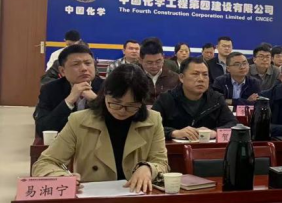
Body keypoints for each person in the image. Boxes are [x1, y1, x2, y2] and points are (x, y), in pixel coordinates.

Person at [32, 64, 169, 193]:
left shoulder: (153, 120)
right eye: (116, 103)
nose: (122, 111)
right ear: (105, 94)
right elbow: (46, 162)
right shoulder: (79, 121)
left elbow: (161, 162)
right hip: (92, 199)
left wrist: (148, 168)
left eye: (132, 105)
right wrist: (62, 177)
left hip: (135, 197)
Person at [152, 57, 238, 141]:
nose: (201, 79)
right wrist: (173, 133)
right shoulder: (166, 99)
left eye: (205, 75)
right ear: (181, 78)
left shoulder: (216, 99)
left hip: (207, 148)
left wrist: (214, 132)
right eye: (195, 74)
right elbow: (151, 126)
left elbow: (233, 124)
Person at [34, 44, 105, 137]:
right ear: (62, 71)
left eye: (88, 63)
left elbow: (118, 123)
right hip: (64, 140)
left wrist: (96, 101)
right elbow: (43, 129)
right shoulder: (50, 90)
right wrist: (69, 101)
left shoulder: (107, 87)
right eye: (76, 64)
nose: (84, 69)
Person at [139, 40, 179, 104]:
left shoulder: (175, 78)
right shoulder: (134, 78)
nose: (154, 66)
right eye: (149, 63)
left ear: (163, 57)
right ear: (140, 60)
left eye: (158, 62)